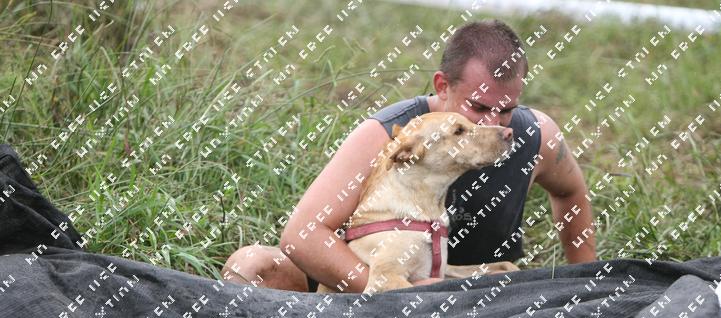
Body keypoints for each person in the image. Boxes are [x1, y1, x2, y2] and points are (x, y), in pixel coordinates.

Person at [221, 19, 597, 293]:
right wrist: (394, 294)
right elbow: (302, 236)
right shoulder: (388, 136)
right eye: (479, 107)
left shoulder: (533, 136)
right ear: (442, 85)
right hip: (364, 287)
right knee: (251, 265)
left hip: (471, 291)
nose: (492, 123)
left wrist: (588, 287)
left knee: (510, 280)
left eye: (506, 109)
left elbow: (571, 193)